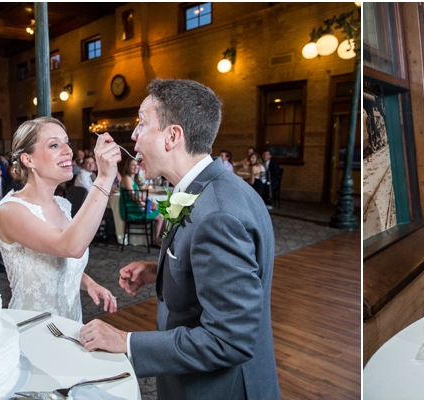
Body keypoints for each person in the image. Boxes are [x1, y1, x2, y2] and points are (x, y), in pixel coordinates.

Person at [77, 79, 280, 399]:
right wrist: (161, 270)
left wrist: (126, 342)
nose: (133, 136)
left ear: (172, 136)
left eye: (142, 124)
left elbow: (228, 341)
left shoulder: (218, 216)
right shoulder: (209, 189)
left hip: (216, 390)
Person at [0, 117, 120, 321]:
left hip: (70, 321)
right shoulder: (10, 211)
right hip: (34, 328)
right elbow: (70, 247)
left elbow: (60, 262)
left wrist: (89, 284)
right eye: (54, 144)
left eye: (67, 143)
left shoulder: (62, 205)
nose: (68, 150)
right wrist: (103, 178)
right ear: (28, 160)